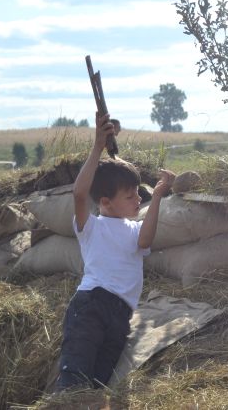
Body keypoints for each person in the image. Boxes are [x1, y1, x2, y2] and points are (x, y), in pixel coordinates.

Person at [55, 112, 175, 391]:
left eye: (138, 194)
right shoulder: (91, 227)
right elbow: (79, 194)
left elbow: (146, 240)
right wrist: (98, 146)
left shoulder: (134, 231)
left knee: (98, 384)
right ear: (106, 202)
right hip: (90, 307)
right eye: (130, 196)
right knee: (73, 382)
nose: (137, 200)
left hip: (120, 316)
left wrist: (156, 196)